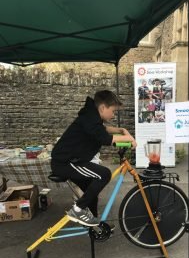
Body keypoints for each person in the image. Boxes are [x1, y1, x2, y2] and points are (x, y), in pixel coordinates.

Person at [51, 90, 137, 227]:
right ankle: (77, 210)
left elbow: (102, 129)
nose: (114, 115)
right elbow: (104, 137)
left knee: (91, 192)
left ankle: (94, 226)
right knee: (104, 174)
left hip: (73, 160)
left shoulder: (91, 117)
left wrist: (121, 130)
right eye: (113, 111)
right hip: (66, 162)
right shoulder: (90, 118)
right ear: (102, 108)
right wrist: (129, 139)